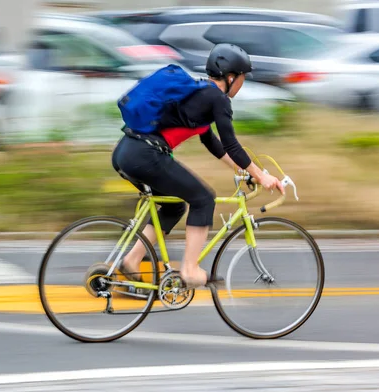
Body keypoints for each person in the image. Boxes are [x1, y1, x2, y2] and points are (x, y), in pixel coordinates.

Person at [111, 43, 285, 288]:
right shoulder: (217, 99)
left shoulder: (199, 93)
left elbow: (215, 145)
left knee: (173, 208)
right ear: (231, 77)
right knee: (203, 198)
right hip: (146, 155)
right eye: (243, 77)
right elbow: (232, 145)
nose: (243, 83)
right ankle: (190, 270)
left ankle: (130, 263)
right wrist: (262, 176)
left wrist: (245, 171)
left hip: (125, 152)